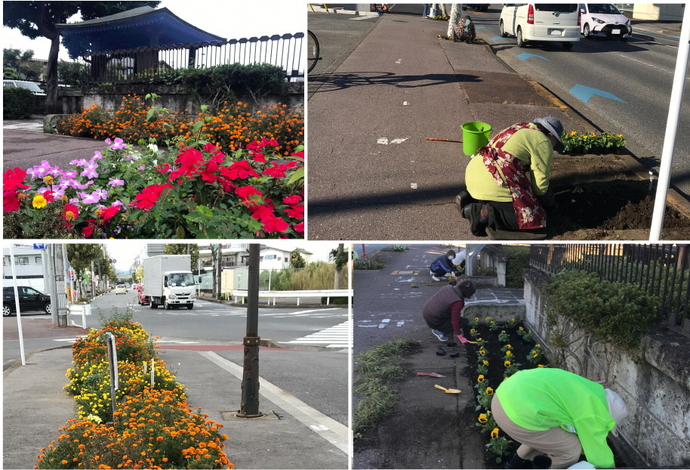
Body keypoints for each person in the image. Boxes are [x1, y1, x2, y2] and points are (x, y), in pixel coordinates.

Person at [492, 368, 628, 469]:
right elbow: (596, 449)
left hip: (503, 396)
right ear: (608, 418)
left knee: (552, 436)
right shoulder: (593, 414)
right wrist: (610, 467)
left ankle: (515, 464)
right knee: (571, 449)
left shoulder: (588, 391)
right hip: (516, 416)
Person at [458, 117, 564, 239]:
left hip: (475, 171)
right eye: (555, 143)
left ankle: (468, 198)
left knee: (506, 195)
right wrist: (550, 205)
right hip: (493, 180)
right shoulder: (543, 141)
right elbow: (540, 186)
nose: (553, 147)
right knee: (531, 219)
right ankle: (486, 213)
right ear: (551, 135)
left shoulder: (519, 127)